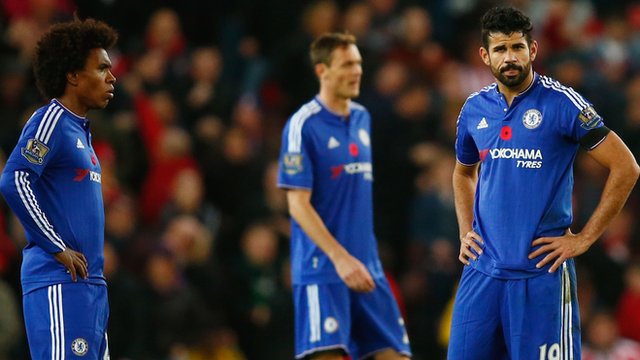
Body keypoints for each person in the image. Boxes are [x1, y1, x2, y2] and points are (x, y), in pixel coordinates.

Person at [450, 6, 640, 360]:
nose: (510, 58)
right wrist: (465, 230)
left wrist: (584, 238)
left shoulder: (563, 103)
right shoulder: (474, 109)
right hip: (482, 273)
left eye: (518, 48)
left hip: (541, 275)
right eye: (501, 49)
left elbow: (626, 167)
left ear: (533, 50)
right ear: (484, 56)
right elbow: (463, 172)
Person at [277, 32, 411, 360]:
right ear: (322, 71)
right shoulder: (302, 125)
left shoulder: (364, 118)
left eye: (359, 64)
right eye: (348, 64)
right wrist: (339, 258)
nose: (357, 71)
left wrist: (358, 258)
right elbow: (296, 203)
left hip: (366, 266)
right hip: (323, 269)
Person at [0, 18, 117, 359]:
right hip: (58, 281)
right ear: (73, 75)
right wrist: (55, 247)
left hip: (90, 286)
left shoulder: (81, 132)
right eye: (102, 69)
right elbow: (14, 179)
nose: (112, 77)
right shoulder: (51, 120)